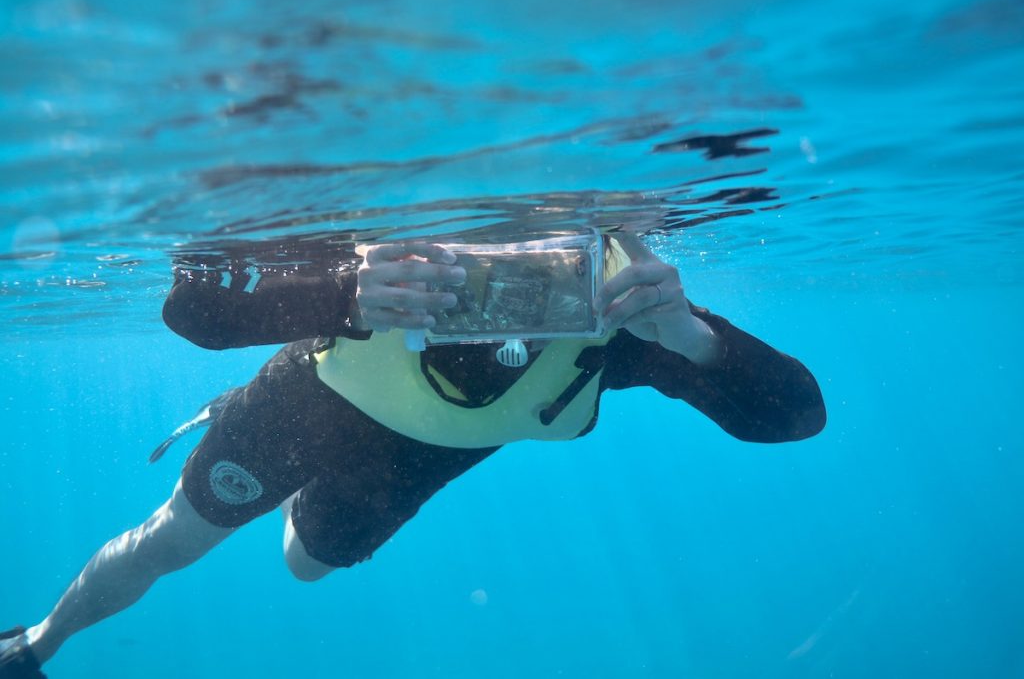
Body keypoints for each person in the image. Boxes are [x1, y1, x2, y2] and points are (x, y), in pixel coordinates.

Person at [0, 233, 826, 678]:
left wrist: (690, 336)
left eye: (541, 253)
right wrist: (342, 294)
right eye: (475, 251)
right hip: (308, 401)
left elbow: (798, 415)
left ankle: (295, 502)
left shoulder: (615, 306)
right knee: (171, 539)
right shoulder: (381, 247)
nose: (500, 271)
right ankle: (39, 643)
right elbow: (192, 306)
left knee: (304, 565)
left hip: (412, 460)